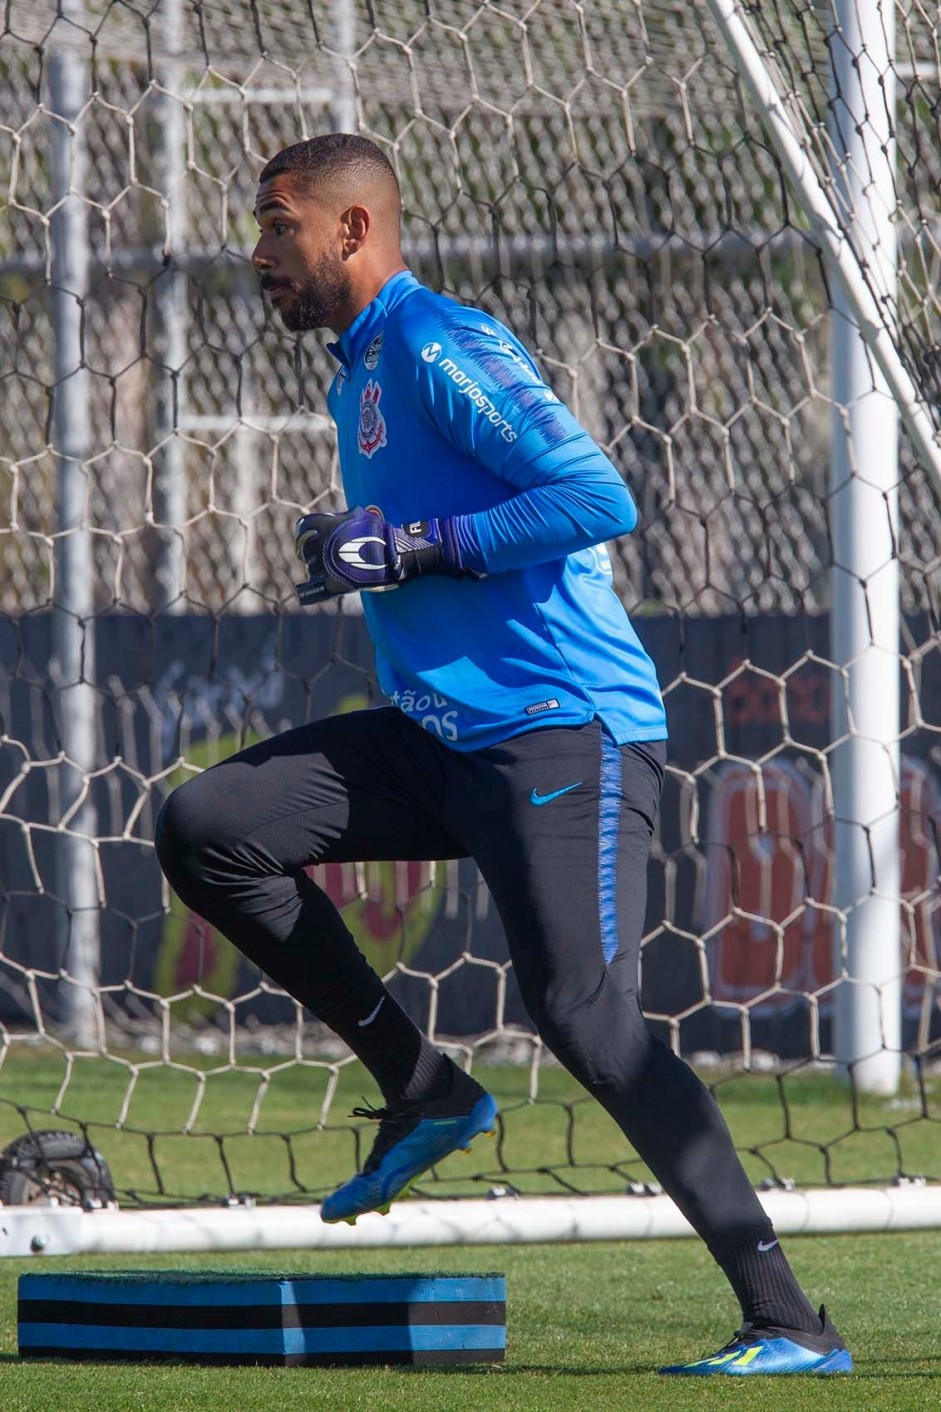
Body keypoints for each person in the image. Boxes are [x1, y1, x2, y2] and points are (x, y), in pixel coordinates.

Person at [154, 133, 852, 1377]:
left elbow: (593, 496)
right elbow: (417, 538)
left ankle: (790, 1321)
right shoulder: (354, 372)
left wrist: (410, 544)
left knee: (584, 1016)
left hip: (559, 731)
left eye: (276, 226)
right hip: (442, 739)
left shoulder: (437, 341)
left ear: (353, 230)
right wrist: (353, 551)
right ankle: (423, 1087)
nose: (256, 253)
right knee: (208, 824)